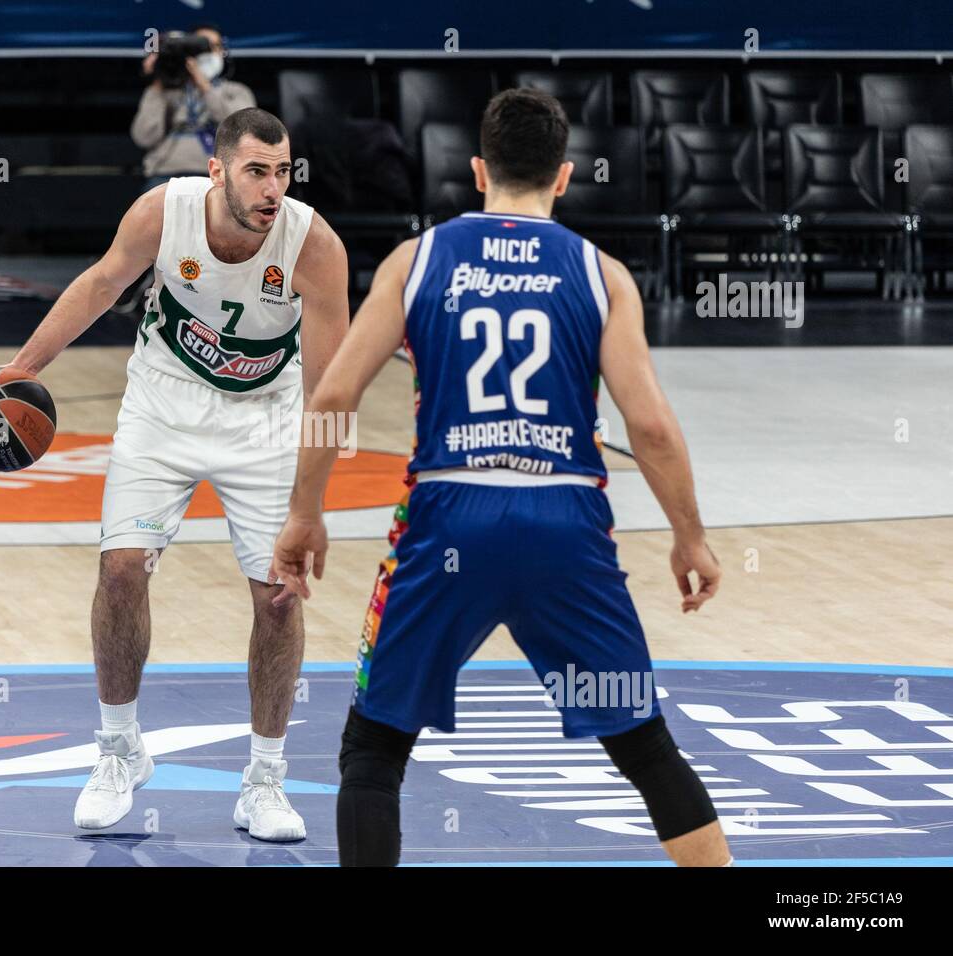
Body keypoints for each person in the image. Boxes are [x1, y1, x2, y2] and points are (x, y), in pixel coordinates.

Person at [270, 88, 735, 867]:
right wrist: (691, 537)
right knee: (642, 741)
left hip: (449, 518)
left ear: (478, 170)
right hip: (566, 525)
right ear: (565, 177)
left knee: (375, 745)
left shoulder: (417, 259)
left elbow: (334, 395)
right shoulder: (600, 272)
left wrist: (305, 512)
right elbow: (649, 426)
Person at [0, 107, 349, 841]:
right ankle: (119, 750)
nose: (271, 188)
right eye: (256, 170)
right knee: (121, 569)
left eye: (282, 172)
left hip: (266, 422)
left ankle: (265, 781)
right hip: (163, 407)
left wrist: (310, 504)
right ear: (216, 171)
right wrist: (22, 368)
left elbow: (329, 390)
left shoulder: (314, 247)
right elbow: (98, 286)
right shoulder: (164, 212)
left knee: (279, 597)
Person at [131, 24, 256, 190]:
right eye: (202, 46)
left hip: (219, 176)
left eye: (214, 46)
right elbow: (144, 137)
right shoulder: (167, 91)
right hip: (166, 174)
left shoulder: (235, 91)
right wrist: (159, 78)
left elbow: (243, 130)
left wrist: (204, 86)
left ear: (223, 52)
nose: (208, 52)